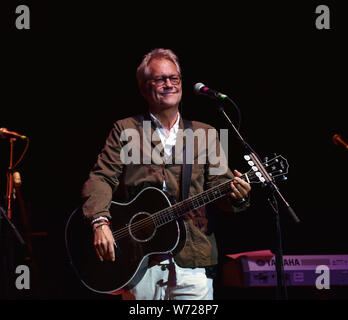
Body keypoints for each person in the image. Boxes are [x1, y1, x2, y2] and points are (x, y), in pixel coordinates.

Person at [81, 48, 251, 300]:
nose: (169, 84)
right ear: (143, 88)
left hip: (192, 261)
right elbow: (101, 178)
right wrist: (100, 221)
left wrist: (238, 196)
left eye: (175, 78)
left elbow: (223, 191)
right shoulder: (125, 129)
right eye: (160, 79)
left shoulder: (207, 134)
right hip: (138, 262)